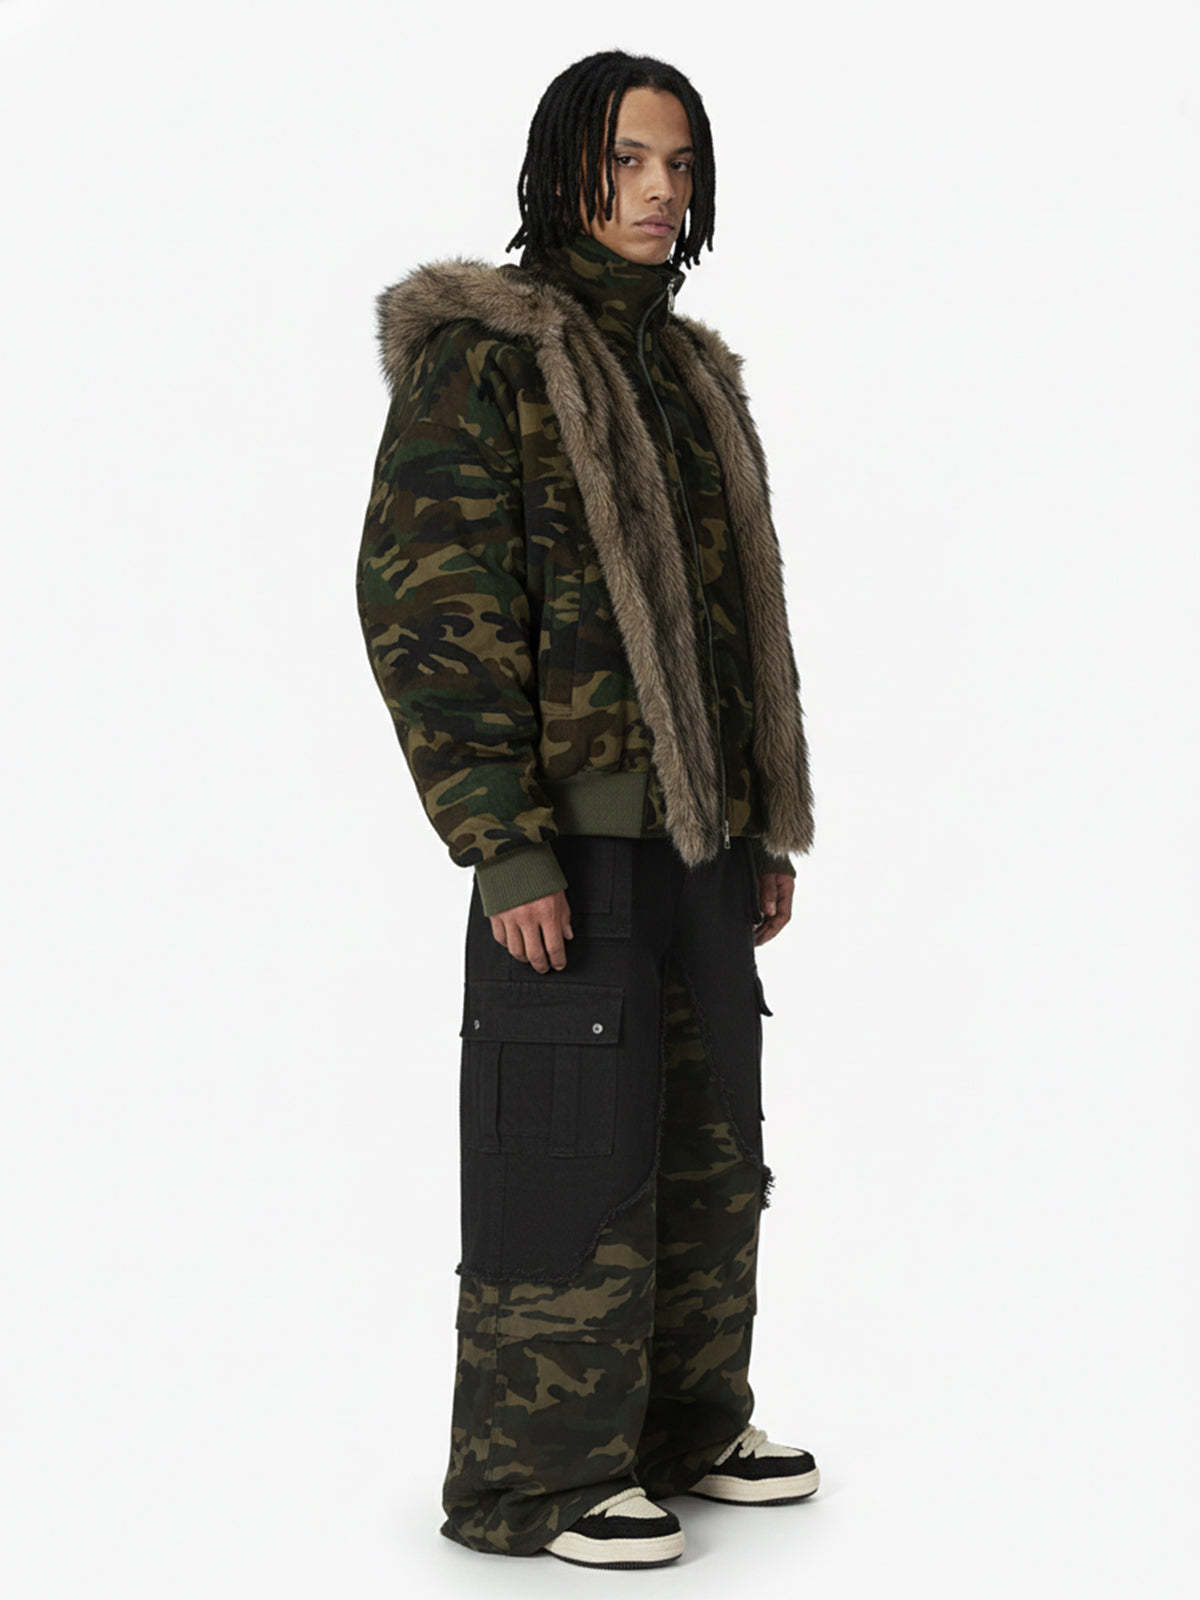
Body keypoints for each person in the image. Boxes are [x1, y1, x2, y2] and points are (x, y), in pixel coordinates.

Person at [355, 49, 818, 1568]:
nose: (657, 189)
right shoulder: (485, 360)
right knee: (566, 1147)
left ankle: (684, 1423)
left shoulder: (687, 373)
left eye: (678, 164)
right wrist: (502, 843)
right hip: (569, 840)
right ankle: (539, 1477)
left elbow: (733, 623)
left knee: (710, 1140)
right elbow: (430, 610)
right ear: (563, 169)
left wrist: (760, 819)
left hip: (701, 840)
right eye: (626, 160)